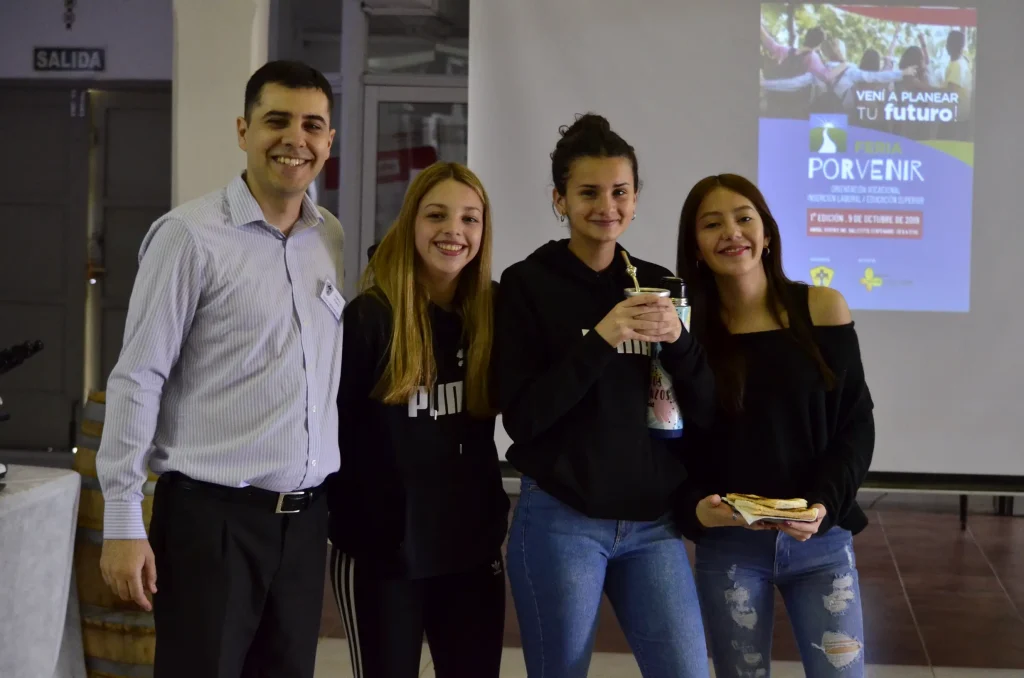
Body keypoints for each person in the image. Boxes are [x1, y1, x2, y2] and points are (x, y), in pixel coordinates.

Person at [95, 60, 344, 678]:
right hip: (214, 524)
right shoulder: (189, 236)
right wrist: (123, 521)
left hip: (304, 524)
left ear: (329, 142)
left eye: (312, 125)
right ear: (243, 129)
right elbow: (137, 377)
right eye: (276, 121)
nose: (296, 139)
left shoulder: (328, 238)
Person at [493, 113, 714, 678]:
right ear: (559, 200)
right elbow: (525, 416)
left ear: (637, 199)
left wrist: (681, 343)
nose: (606, 206)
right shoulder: (527, 284)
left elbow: (702, 403)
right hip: (564, 517)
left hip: (651, 522)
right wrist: (602, 337)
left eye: (620, 191)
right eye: (587, 192)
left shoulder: (658, 283)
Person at [673, 174, 874, 678]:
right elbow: (673, 439)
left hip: (820, 542)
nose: (732, 232)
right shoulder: (685, 330)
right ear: (695, 246)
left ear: (767, 234)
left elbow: (855, 425)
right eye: (711, 223)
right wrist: (694, 508)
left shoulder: (823, 308)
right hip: (731, 544)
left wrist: (825, 506)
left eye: (744, 218)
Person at [327, 162, 509, 678]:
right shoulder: (368, 319)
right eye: (437, 215)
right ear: (410, 223)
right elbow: (330, 433)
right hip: (383, 556)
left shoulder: (491, 313)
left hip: (470, 553)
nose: (454, 231)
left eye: (470, 219)